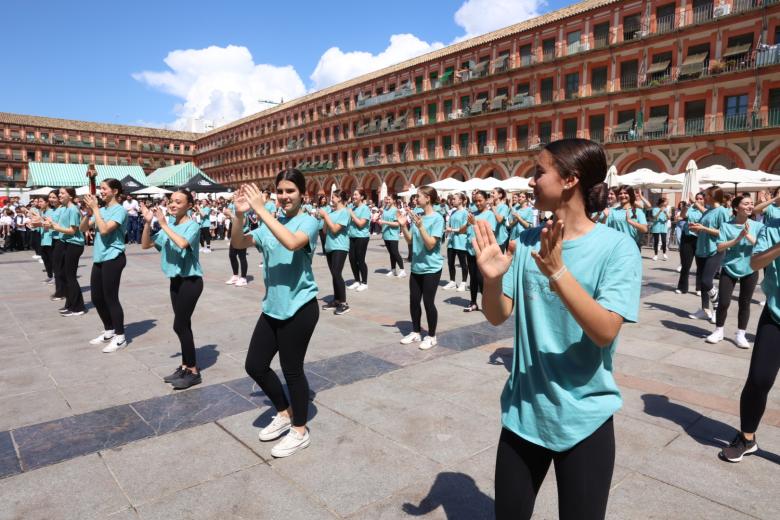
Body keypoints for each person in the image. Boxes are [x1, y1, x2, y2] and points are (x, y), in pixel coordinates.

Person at [474, 139, 641, 519]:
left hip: (585, 419)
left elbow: (605, 332)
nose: (530, 181)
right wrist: (492, 280)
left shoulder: (617, 249)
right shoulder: (530, 241)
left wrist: (559, 273)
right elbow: (498, 315)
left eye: (538, 172)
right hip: (523, 414)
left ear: (569, 180)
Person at [230, 172, 320, 458]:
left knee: (292, 370)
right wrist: (240, 215)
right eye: (280, 191)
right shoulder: (271, 221)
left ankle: (300, 430)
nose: (284, 196)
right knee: (254, 365)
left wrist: (261, 211)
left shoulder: (309, 221)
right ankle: (283, 412)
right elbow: (239, 243)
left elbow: (292, 243)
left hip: (300, 307)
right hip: (272, 306)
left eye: (290, 190)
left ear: (302, 193)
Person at [719, 211, 780, 462]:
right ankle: (747, 438)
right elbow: (755, 263)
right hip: (776, 316)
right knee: (759, 379)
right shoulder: (772, 227)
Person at [140, 189, 204, 390]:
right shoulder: (171, 226)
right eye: (171, 202)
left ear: (189, 205)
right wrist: (148, 222)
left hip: (191, 281)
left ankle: (193, 371)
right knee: (184, 325)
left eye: (178, 202)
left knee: (180, 325)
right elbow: (145, 245)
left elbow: (183, 243)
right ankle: (185, 366)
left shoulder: (192, 225)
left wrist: (164, 224)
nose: (173, 205)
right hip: (175, 281)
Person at [706, 195, 763, 348]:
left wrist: (748, 236)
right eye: (746, 204)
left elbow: (761, 248)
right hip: (729, 268)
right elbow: (719, 247)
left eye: (752, 204)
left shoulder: (757, 226)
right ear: (737, 208)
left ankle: (741, 334)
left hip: (750, 268)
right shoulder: (726, 226)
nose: (750, 206)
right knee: (724, 302)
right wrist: (737, 239)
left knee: (745, 303)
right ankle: (719, 331)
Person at [80, 179, 129, 352]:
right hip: (99, 257)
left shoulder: (119, 210)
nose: (101, 192)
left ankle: (121, 336)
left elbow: (105, 229)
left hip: (114, 257)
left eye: (104, 189)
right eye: (101, 189)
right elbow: (82, 228)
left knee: (110, 297)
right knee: (96, 297)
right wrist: (88, 213)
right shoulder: (101, 210)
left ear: (115, 191)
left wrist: (95, 210)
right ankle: (109, 330)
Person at [397, 186, 445, 350]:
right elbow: (410, 241)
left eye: (418, 197)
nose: (415, 199)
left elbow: (431, 244)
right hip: (417, 266)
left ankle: (431, 336)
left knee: (428, 302)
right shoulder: (420, 216)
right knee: (414, 300)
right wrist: (403, 226)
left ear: (428, 198)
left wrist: (421, 226)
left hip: (432, 267)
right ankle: (416, 331)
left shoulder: (438, 218)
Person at [688, 186, 731, 323]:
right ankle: (705, 310)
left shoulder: (722, 211)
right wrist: (696, 228)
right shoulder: (708, 211)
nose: (703, 198)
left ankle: (717, 305)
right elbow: (703, 229)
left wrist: (703, 228)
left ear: (712, 196)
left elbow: (724, 233)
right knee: (702, 282)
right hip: (701, 249)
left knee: (707, 281)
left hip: (714, 250)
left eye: (705, 195)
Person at [44, 187, 86, 317]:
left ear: (71, 196)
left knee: (70, 276)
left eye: (62, 193)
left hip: (74, 245)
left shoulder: (73, 209)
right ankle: (70, 304)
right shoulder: (65, 208)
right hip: (67, 244)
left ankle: (78, 307)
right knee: (66, 276)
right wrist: (51, 224)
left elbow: (73, 230)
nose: (60, 195)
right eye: (60, 193)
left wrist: (56, 227)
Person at [464, 191, 497, 312]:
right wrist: (468, 223)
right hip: (471, 249)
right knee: (472, 277)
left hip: (483, 251)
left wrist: (474, 224)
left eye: (480, 200)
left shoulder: (490, 215)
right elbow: (463, 230)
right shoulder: (473, 214)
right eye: (475, 201)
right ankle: (473, 302)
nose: (477, 203)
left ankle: (488, 303)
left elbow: (490, 233)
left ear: (486, 200)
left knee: (481, 278)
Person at [319, 190, 351, 315]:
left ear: (339, 198)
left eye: (333, 197)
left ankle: (343, 303)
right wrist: (325, 218)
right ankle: (336, 300)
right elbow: (326, 230)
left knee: (337, 273)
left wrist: (326, 216)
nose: (331, 199)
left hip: (340, 246)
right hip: (330, 246)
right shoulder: (331, 212)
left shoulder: (344, 212)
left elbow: (336, 229)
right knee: (334, 274)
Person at [676, 192, 705, 294]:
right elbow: (682, 215)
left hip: (700, 239)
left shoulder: (707, 210)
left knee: (700, 265)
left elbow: (705, 215)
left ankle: (700, 288)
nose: (698, 200)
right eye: (697, 198)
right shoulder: (691, 208)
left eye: (701, 199)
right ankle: (682, 287)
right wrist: (687, 206)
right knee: (685, 264)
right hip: (687, 237)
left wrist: (695, 203)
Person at [444, 192, 469, 291]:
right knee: (450, 262)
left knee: (463, 263)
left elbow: (465, 228)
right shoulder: (453, 212)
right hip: (452, 241)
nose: (452, 200)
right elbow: (449, 225)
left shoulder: (465, 212)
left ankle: (463, 282)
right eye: (452, 199)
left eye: (454, 199)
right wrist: (447, 230)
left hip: (461, 242)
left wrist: (452, 230)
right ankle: (452, 281)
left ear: (461, 201)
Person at [347, 189, 371, 291]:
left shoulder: (365, 209)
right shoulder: (352, 207)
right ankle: (357, 280)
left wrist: (352, 214)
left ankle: (364, 282)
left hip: (362, 237)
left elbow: (361, 224)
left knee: (360, 259)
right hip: (351, 236)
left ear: (361, 197)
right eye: (353, 194)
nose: (354, 196)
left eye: (356, 195)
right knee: (352, 259)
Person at [378, 195, 406, 277]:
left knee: (395, 252)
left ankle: (402, 270)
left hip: (393, 235)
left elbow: (397, 224)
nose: (387, 201)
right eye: (386, 199)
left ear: (393, 200)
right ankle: (393, 270)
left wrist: (384, 222)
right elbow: (383, 220)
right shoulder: (385, 209)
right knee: (391, 253)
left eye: (389, 199)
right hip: (386, 234)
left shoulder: (395, 210)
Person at [224, 203, 250, 287]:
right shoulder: (232, 205)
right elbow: (226, 212)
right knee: (232, 255)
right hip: (235, 233)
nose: (234, 196)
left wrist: (231, 215)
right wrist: (228, 213)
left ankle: (243, 278)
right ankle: (235, 276)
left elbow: (242, 222)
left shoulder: (243, 208)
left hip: (243, 233)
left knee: (242, 256)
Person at [491, 188, 512, 252]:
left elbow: (499, 220)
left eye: (493, 193)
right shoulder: (490, 207)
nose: (491, 194)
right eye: (491, 193)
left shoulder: (504, 207)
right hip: (492, 238)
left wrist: (493, 209)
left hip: (500, 238)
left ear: (500, 195)